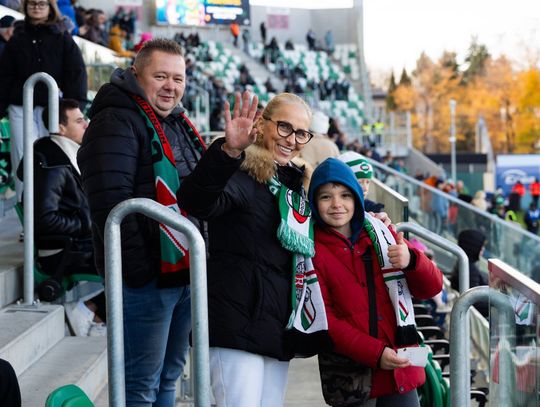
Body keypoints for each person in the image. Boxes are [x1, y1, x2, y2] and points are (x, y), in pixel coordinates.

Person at [178, 92, 331, 407]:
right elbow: (195, 201)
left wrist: (373, 218)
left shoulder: (295, 186)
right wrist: (228, 151)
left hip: (275, 327)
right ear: (262, 125)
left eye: (301, 133)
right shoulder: (240, 171)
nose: (292, 139)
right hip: (235, 323)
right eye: (284, 127)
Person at [78, 38, 206, 405]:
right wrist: (140, 272)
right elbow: (111, 203)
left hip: (181, 272)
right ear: (136, 75)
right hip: (147, 279)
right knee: (140, 384)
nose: (171, 87)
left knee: (169, 376)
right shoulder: (115, 120)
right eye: (160, 76)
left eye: (178, 79)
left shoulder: (175, 121)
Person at [308, 158, 443, 406]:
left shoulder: (382, 232)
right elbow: (325, 320)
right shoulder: (310, 250)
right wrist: (376, 353)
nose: (337, 204)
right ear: (314, 203)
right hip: (353, 378)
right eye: (326, 197)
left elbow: (433, 287)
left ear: (357, 199)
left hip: (401, 371)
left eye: (345, 195)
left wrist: (412, 260)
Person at [19, 99, 106, 336]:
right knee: (137, 259)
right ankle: (91, 311)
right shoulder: (53, 164)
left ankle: (93, 312)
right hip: (64, 250)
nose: (86, 124)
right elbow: (45, 219)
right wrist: (88, 225)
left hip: (78, 244)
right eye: (79, 121)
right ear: (60, 128)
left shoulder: (64, 155)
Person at [0, 0, 87, 202]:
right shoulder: (18, 37)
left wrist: (75, 104)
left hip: (53, 107)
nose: (37, 6)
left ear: (50, 7)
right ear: (26, 6)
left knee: (55, 155)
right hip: (22, 105)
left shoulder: (62, 36)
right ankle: (26, 211)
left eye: (42, 3)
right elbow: (5, 75)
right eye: (32, 3)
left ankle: (54, 205)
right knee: (23, 156)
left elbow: (76, 72)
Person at [450, 229, 488, 316]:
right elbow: (474, 301)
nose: (483, 249)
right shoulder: (469, 270)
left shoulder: (463, 264)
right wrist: (496, 305)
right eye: (481, 246)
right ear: (473, 247)